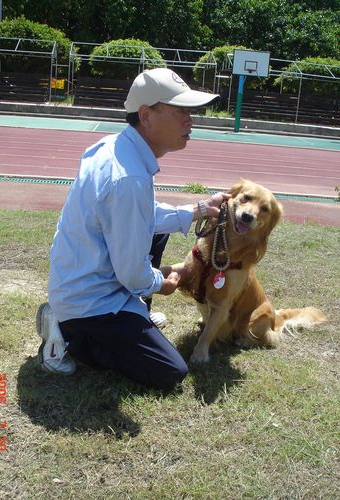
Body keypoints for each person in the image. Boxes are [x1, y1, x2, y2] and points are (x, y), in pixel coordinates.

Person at [36, 67, 230, 390]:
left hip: (84, 281)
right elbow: (132, 274)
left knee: (158, 231)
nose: (190, 120)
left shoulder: (117, 148)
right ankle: (64, 333)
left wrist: (198, 210)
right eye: (180, 110)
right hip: (89, 305)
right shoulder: (129, 178)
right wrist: (161, 283)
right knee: (170, 371)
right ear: (145, 115)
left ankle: (132, 314)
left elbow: (143, 216)